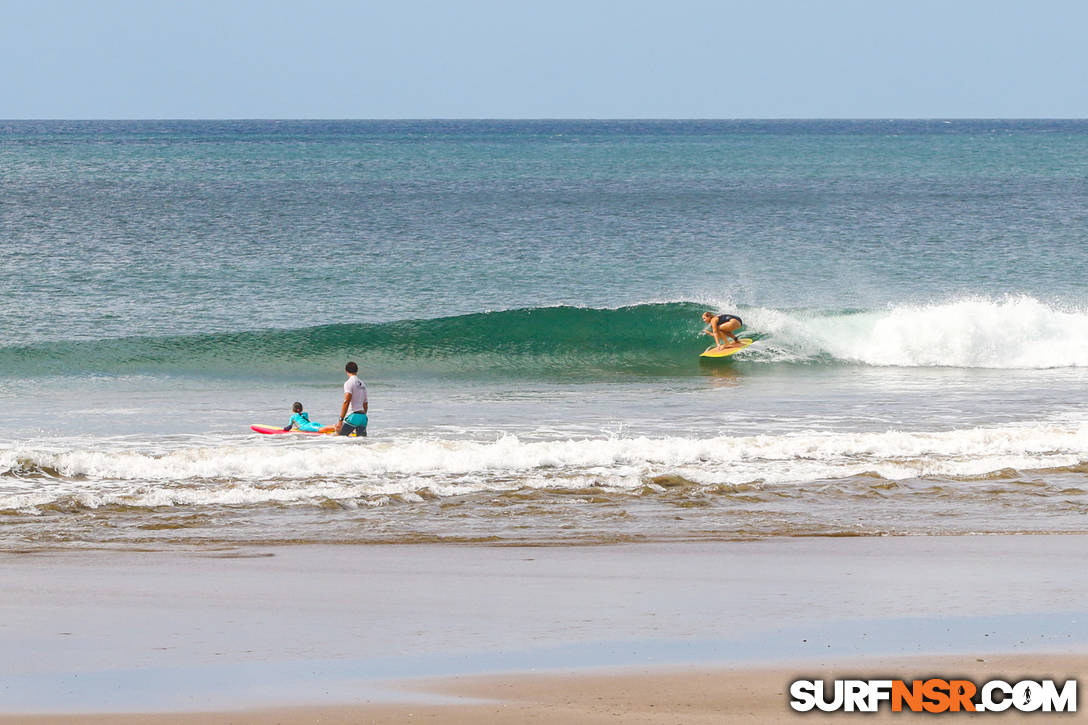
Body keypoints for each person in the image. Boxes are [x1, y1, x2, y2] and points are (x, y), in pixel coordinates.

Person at [336, 361, 368, 437]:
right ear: (357, 371)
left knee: (339, 438)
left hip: (353, 416)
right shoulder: (363, 384)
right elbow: (365, 403)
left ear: (346, 371)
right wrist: (362, 417)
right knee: (362, 443)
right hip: (363, 417)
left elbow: (346, 401)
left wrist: (340, 420)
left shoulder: (349, 383)